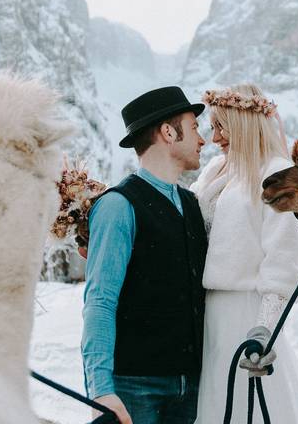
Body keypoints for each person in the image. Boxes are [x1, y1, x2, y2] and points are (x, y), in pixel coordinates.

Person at [82, 86, 211, 424]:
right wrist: (99, 389)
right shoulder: (117, 205)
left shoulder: (192, 205)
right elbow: (100, 300)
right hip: (135, 388)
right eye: (194, 127)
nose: (203, 140)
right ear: (169, 132)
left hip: (192, 386)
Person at [192, 84, 298, 423]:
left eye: (222, 126)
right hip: (208, 315)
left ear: (244, 123)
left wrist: (264, 329)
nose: (215, 137)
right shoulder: (214, 172)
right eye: (213, 127)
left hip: (244, 315)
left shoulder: (277, 173)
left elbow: (283, 260)